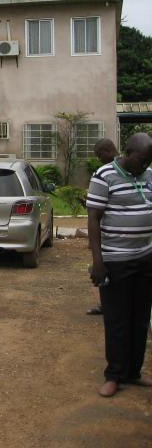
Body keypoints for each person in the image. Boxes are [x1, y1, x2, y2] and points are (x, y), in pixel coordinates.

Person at [86, 132, 152, 398]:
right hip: (116, 260)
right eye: (142, 160)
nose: (144, 165)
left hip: (145, 258)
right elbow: (93, 218)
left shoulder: (148, 176)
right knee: (117, 320)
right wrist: (98, 262)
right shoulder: (104, 176)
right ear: (127, 152)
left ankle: (133, 372)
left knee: (140, 319)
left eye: (148, 161)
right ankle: (114, 375)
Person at [86, 138, 120, 316]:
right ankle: (106, 305)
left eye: (99, 155)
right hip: (108, 236)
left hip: (117, 241)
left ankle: (111, 307)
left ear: (108, 151)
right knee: (104, 271)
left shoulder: (112, 172)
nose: (99, 159)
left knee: (107, 271)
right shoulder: (104, 173)